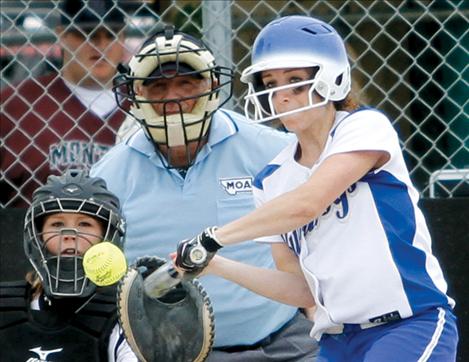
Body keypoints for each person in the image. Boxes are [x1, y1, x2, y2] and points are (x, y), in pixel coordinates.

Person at [174, 15, 459, 362]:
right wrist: (216, 264)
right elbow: (302, 291)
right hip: (338, 341)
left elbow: (307, 203)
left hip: (409, 324)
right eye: (271, 83)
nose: (282, 96)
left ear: (332, 80)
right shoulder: (272, 180)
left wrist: (214, 237)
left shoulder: (364, 128)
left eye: (296, 82)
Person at [91, 25, 319, 361]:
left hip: (282, 342)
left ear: (212, 85)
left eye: (187, 82)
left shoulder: (276, 151)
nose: (173, 97)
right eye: (158, 86)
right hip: (169, 353)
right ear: (136, 93)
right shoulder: (108, 177)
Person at [0, 0, 129, 208]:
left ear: (122, 37)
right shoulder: (16, 104)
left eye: (111, 34)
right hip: (33, 236)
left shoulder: (143, 105)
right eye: (87, 34)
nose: (100, 45)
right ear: (62, 35)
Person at [0, 170, 137, 361]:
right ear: (38, 236)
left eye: (85, 224)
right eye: (56, 224)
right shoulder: (5, 305)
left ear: (107, 236)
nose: (70, 234)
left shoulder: (121, 315)